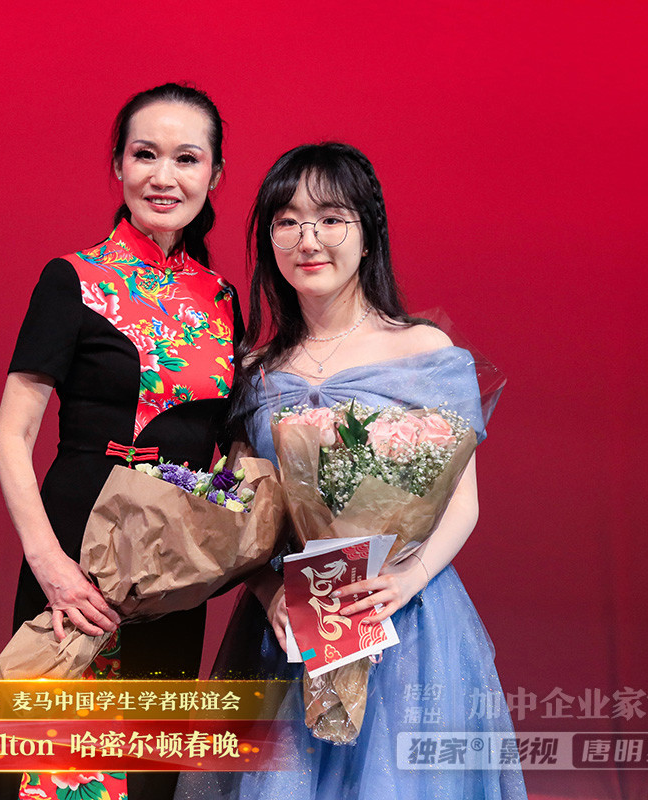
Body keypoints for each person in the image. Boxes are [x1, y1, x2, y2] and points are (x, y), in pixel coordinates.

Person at [178, 142, 526, 799]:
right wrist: (270, 595)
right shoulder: (254, 372)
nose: (307, 240)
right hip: (296, 630)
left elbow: (463, 503)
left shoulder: (422, 350)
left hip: (407, 620)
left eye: (331, 219)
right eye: (286, 222)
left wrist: (407, 579)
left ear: (369, 236)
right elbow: (245, 518)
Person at [0, 83, 241, 800]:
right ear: (118, 165)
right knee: (53, 765)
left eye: (186, 159)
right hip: (76, 544)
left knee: (145, 766)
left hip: (171, 564)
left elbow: (223, 455)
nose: (164, 176)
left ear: (214, 175)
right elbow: (12, 434)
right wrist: (49, 565)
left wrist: (223, 545)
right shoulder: (73, 278)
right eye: (145, 154)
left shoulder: (223, 301)